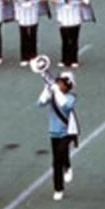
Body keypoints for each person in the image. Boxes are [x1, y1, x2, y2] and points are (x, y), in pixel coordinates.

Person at [38, 70, 78, 201]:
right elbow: (40, 103)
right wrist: (46, 90)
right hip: (54, 131)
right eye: (58, 82)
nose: (59, 85)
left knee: (59, 156)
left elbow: (64, 105)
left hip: (67, 131)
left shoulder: (71, 97)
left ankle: (60, 184)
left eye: (62, 83)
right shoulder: (54, 94)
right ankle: (59, 185)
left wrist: (56, 91)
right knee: (57, 159)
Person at [47, 0, 90, 68]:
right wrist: (54, 0)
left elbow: (86, 0)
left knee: (74, 38)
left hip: (74, 14)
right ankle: (64, 59)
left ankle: (74, 59)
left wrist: (80, 2)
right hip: (63, 14)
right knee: (65, 38)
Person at [12, 0, 46, 66]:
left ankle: (33, 55)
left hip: (33, 9)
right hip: (22, 8)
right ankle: (24, 56)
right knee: (23, 33)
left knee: (33, 33)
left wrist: (36, 1)